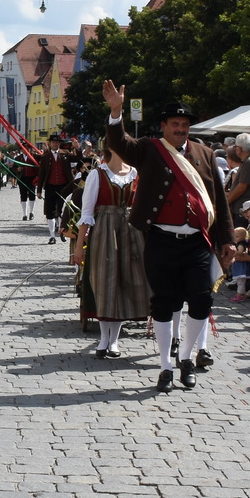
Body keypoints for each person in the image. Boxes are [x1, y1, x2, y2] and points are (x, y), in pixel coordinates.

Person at [99, 84, 234, 392]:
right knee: (164, 302)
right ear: (164, 126)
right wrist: (117, 111)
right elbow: (119, 142)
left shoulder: (206, 154)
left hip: (198, 241)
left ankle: (186, 357)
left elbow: (218, 200)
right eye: (175, 125)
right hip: (161, 239)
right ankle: (165, 366)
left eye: (185, 126)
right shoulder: (149, 148)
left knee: (202, 299)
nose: (181, 130)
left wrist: (227, 239)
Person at [75, 146, 147, 358]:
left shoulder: (135, 174)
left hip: (130, 233)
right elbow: (86, 213)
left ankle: (114, 340)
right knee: (105, 283)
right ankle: (104, 338)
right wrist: (79, 247)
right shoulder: (98, 175)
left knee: (123, 285)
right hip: (104, 233)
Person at [38, 134, 76, 244]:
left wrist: (77, 148)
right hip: (50, 186)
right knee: (50, 211)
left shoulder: (65, 154)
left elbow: (78, 158)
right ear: (50, 143)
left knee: (61, 209)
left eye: (57, 142)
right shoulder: (45, 157)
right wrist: (39, 190)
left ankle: (61, 231)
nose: (55, 144)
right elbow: (41, 174)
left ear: (59, 144)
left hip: (63, 186)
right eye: (53, 142)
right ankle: (52, 235)